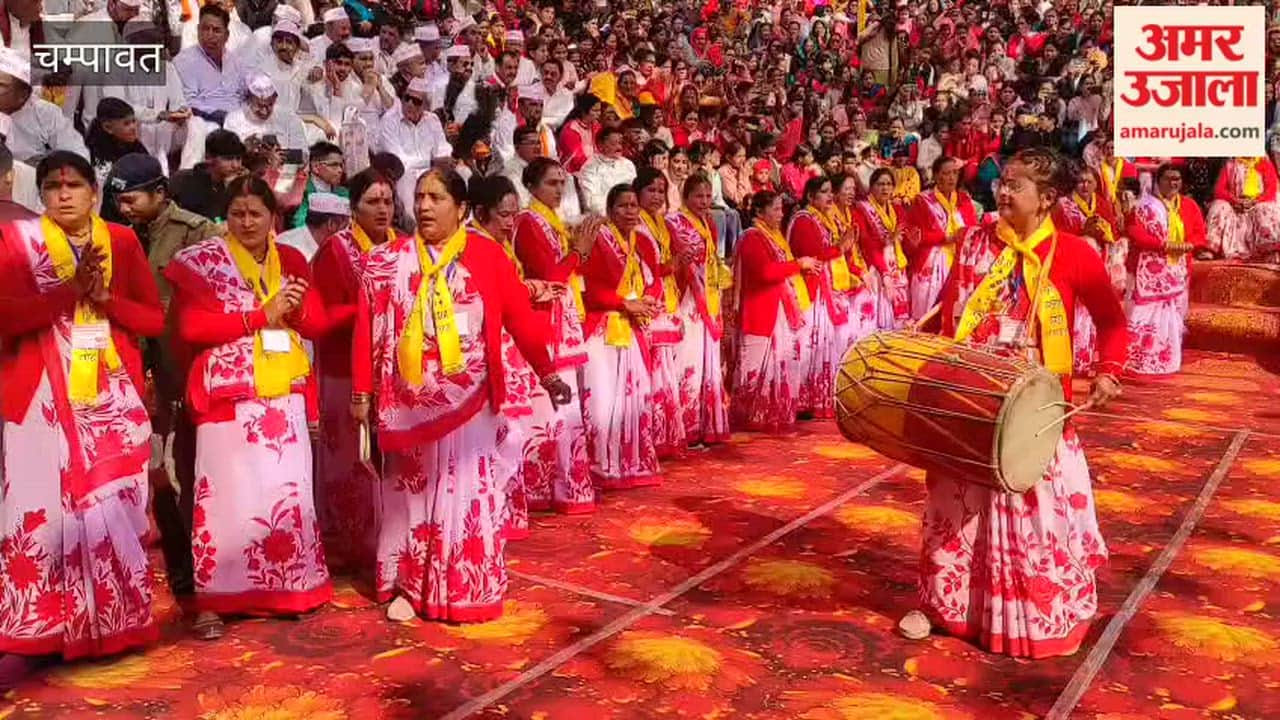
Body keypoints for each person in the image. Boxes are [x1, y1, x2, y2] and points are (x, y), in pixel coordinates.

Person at [901, 148, 1128, 658]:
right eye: (1003, 182)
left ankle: (1042, 613)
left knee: (1038, 519)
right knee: (954, 513)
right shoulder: (977, 243)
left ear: (1046, 200)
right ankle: (943, 607)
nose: (1003, 192)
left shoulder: (1074, 254)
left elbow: (1113, 322)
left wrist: (1109, 371)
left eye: (1017, 186)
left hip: (1036, 417)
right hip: (971, 404)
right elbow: (949, 307)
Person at [351, 168, 570, 623]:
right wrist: (361, 394)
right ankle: (411, 586)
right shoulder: (387, 261)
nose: (425, 206)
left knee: (464, 491)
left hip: (470, 403)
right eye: (420, 197)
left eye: (437, 197)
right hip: (407, 405)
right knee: (410, 495)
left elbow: (518, 317)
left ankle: (464, 583)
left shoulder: (487, 257)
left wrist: (547, 372)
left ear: (462, 208)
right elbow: (365, 330)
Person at [0, 150, 163, 658]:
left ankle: (116, 620)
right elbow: (5, 318)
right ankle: (44, 626)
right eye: (52, 187)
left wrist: (106, 299)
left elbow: (153, 321)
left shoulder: (120, 240)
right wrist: (69, 292)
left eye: (74, 185)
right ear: (41, 194)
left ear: (95, 192)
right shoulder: (17, 242)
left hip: (109, 398)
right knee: (42, 510)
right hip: (39, 400)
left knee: (112, 505)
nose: (63, 194)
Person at [164, 175, 332, 640]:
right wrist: (261, 315)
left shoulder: (294, 258)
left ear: (273, 217)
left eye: (255, 213)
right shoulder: (203, 263)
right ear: (225, 217)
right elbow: (191, 329)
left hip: (282, 399)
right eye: (237, 214)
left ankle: (288, 589)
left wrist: (293, 311)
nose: (246, 222)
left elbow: (315, 323)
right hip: (229, 401)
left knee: (283, 492)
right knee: (224, 499)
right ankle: (214, 600)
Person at [109, 152, 220, 596]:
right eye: (119, 200)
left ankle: (196, 564)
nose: (125, 207)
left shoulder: (197, 232)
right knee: (153, 471)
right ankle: (175, 562)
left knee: (188, 469)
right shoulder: (115, 235)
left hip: (183, 367)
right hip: (134, 370)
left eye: (132, 198)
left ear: (160, 193)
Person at [309, 170, 393, 571]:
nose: (382, 209)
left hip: (391, 368)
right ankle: (346, 538)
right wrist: (368, 308)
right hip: (344, 366)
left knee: (386, 453)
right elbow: (322, 315)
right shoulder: (336, 250)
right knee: (349, 455)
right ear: (353, 209)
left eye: (388, 201)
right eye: (372, 202)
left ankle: (386, 534)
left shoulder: (400, 247)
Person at [511, 158, 597, 514]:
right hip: (545, 318)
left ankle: (565, 480)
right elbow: (550, 274)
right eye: (551, 183)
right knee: (555, 407)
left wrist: (578, 252)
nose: (559, 190)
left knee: (566, 406)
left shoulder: (552, 223)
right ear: (531, 186)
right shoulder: (530, 222)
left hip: (561, 316)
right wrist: (578, 252)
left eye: (562, 183)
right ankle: (548, 483)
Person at [580, 184, 664, 489]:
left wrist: (649, 299)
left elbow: (652, 278)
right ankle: (601, 465)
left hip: (633, 325)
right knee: (604, 399)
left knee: (634, 396)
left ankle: (630, 463)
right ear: (610, 209)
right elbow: (588, 288)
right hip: (604, 328)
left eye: (633, 205)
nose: (630, 211)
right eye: (623, 206)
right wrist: (624, 303)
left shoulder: (640, 241)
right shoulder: (599, 239)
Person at [731, 190, 818, 433]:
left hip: (778, 308)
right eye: (776, 209)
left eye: (781, 209)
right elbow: (766, 273)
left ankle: (773, 413)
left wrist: (800, 268)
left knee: (779, 363)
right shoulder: (751, 237)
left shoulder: (773, 236)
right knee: (757, 365)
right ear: (759, 212)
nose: (781, 214)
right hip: (762, 308)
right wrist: (798, 264)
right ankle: (752, 417)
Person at [667, 172, 731, 446]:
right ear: (685, 196)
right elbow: (678, 262)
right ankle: (686, 426)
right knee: (688, 360)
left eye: (707, 196)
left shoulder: (709, 222)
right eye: (698, 196)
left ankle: (706, 423)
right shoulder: (674, 222)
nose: (704, 202)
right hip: (687, 300)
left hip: (708, 295)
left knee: (707, 360)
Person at [1124, 164, 1205, 377]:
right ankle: (1136, 358)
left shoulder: (1189, 206)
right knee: (1142, 314)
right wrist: (1163, 246)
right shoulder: (1144, 206)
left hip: (1177, 269)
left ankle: (1165, 358)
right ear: (1157, 181)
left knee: (1173, 315)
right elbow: (1133, 231)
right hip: (1145, 269)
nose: (1173, 182)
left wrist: (1188, 245)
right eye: (1168, 178)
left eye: (1177, 178)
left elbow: (1199, 234)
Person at [787, 176, 855, 419]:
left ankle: (816, 398)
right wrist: (840, 248)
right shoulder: (804, 219)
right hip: (810, 290)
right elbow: (811, 254)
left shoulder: (823, 218)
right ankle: (801, 400)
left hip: (824, 287)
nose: (829, 196)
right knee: (809, 345)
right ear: (810, 197)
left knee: (822, 344)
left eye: (829, 192)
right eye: (824, 192)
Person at [631, 169, 686, 457]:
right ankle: (653, 435)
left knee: (665, 372)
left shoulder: (661, 225)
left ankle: (663, 435)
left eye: (660, 191)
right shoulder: (638, 226)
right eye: (651, 190)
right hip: (650, 303)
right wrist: (671, 266)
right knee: (655, 373)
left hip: (666, 298)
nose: (656, 196)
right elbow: (648, 269)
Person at [1051, 168, 1122, 374]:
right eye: (1081, 181)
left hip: (1097, 260)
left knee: (1089, 313)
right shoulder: (1064, 205)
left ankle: (1085, 358)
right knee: (1071, 309)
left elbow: (1114, 234)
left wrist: (1103, 234)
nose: (1085, 186)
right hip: (1071, 261)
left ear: (1096, 184)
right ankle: (1068, 357)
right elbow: (1056, 233)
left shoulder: (1101, 204)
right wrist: (1083, 232)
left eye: (1089, 182)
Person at [906, 156, 978, 321]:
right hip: (932, 261)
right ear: (936, 176)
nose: (952, 177)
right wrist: (947, 237)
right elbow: (917, 235)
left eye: (955, 173)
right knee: (927, 312)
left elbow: (973, 227)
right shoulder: (922, 200)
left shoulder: (964, 199)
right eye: (946, 173)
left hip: (960, 259)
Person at [855, 168, 911, 330]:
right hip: (876, 267)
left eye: (888, 184)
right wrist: (888, 240)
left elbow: (903, 240)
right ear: (871, 187)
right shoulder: (862, 209)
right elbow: (865, 243)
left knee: (899, 313)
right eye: (880, 184)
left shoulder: (897, 209)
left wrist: (911, 241)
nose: (885, 188)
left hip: (897, 265)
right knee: (882, 312)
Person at [1204, 156, 1280, 262]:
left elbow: (1271, 190)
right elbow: (1219, 190)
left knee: (1265, 210)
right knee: (1218, 206)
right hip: (1235, 205)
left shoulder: (1264, 164)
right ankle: (1210, 249)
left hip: (1258, 203)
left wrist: (1255, 201)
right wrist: (1236, 201)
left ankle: (1270, 251)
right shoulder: (1230, 164)